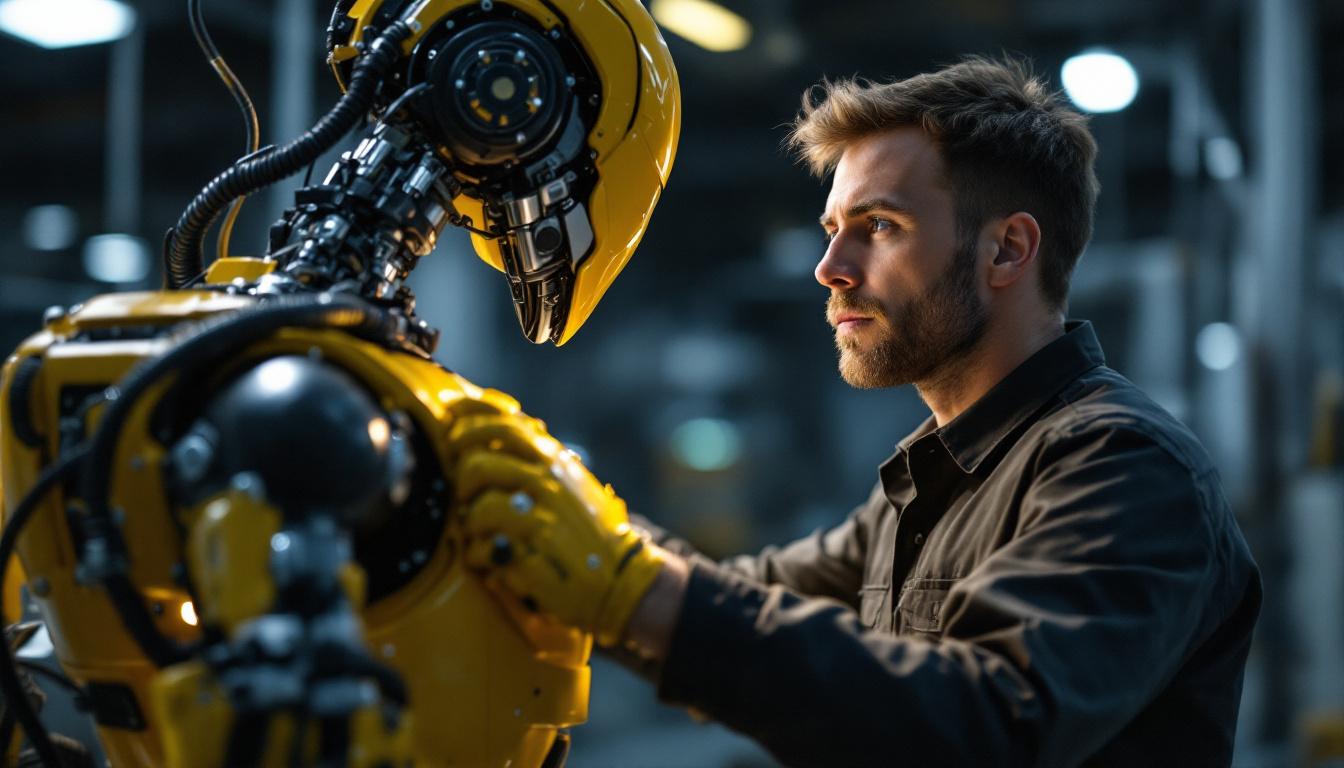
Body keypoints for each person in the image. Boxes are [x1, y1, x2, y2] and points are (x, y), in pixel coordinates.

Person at [450, 56, 1261, 767]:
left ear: (1007, 250)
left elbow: (990, 725)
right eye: (833, 229)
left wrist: (625, 587)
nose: (829, 267)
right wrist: (553, 520)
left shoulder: (1121, 467)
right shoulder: (931, 478)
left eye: (879, 226)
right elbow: (752, 597)